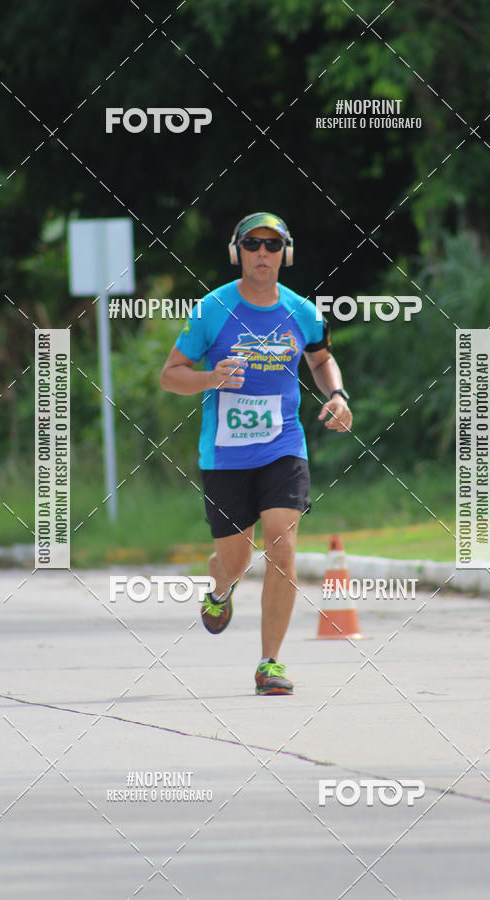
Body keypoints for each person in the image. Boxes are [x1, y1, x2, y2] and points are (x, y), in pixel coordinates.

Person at [160, 212, 352, 695]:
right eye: (252, 244)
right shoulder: (212, 310)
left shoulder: (303, 312)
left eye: (272, 245)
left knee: (281, 545)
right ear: (236, 251)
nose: (262, 253)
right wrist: (210, 378)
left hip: (283, 446)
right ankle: (219, 587)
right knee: (237, 559)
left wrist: (337, 394)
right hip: (224, 454)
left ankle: (270, 663)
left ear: (286, 253)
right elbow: (171, 374)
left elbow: (322, 358)